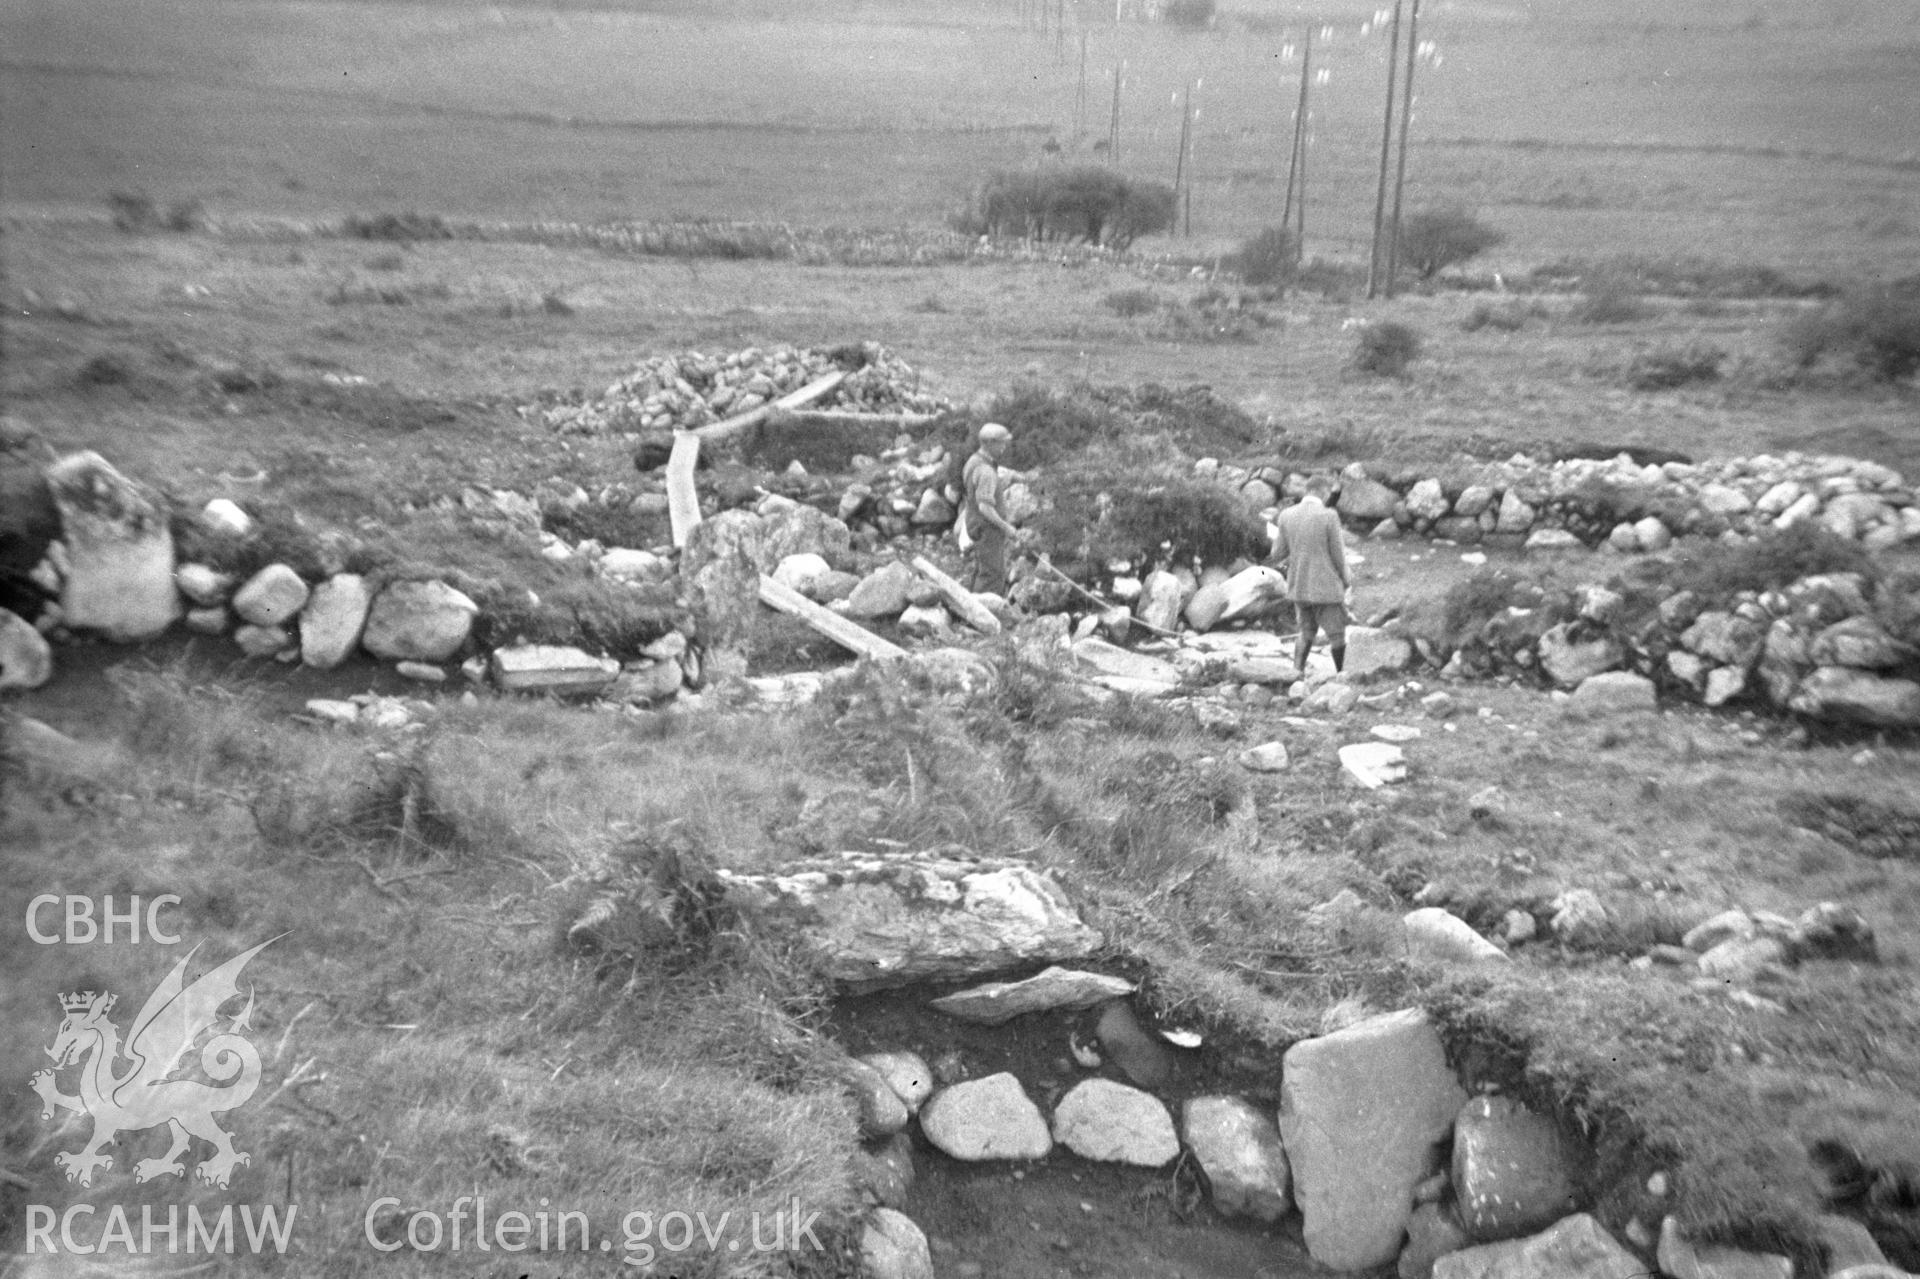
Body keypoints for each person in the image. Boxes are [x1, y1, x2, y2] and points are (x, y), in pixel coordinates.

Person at [1270, 473, 1352, 679]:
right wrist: (1346, 580)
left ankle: (1296, 674)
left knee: (1306, 632)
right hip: (1326, 588)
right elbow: (1338, 555)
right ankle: (1341, 677)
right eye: (1328, 493)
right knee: (1337, 635)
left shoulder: (1286, 515)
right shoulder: (1329, 515)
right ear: (1322, 491)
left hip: (1299, 586)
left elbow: (1276, 554)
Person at [960, 422, 1024, 597]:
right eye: (1001, 443)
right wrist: (1007, 527)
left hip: (976, 525)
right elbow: (985, 507)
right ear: (989, 443)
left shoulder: (972, 461)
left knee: (982, 569)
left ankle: (971, 606)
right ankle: (987, 615)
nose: (1004, 447)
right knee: (993, 574)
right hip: (987, 528)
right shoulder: (986, 471)